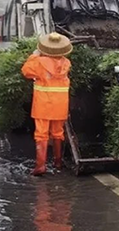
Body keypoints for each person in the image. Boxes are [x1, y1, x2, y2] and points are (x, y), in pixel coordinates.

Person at [22, 32, 73, 176]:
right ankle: (58, 162)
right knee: (58, 133)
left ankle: (40, 166)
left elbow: (26, 71)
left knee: (41, 134)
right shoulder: (66, 63)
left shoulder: (39, 62)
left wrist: (34, 55)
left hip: (43, 104)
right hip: (60, 104)